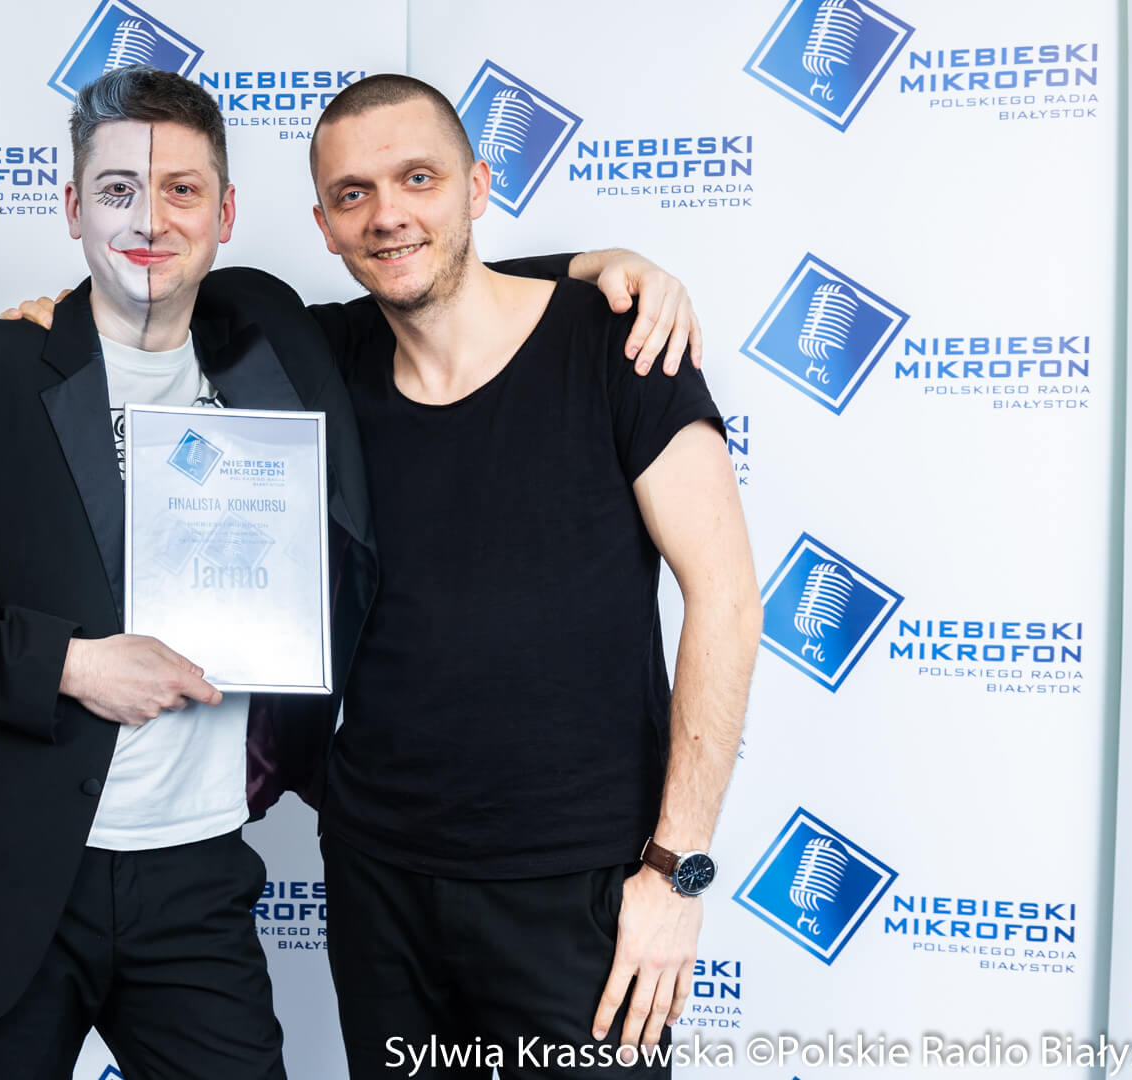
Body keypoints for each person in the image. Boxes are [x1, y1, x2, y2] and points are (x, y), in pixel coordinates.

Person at [0, 67, 358, 1079]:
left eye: (181, 190)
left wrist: (601, 267)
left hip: (198, 876)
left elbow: (431, 296)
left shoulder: (277, 370)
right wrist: (72, 664)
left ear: (226, 214)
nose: (149, 219)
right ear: (75, 208)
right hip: (3, 872)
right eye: (119, 189)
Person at [301, 75, 761, 1078]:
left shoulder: (618, 341)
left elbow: (726, 599)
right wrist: (54, 316)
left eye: (418, 178)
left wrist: (676, 874)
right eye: (352, 194)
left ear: (478, 185)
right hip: (380, 883)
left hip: (581, 892)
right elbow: (176, 310)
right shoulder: (326, 359)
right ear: (325, 226)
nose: (386, 214)